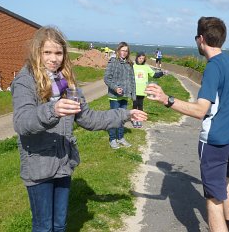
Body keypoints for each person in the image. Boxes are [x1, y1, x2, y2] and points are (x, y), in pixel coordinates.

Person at [11, 26, 147, 232]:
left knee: (59, 224)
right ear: (36, 52)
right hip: (38, 164)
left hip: (63, 162)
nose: (54, 58)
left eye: (58, 53)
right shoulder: (26, 80)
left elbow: (90, 119)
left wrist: (125, 114)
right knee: (43, 226)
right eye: (47, 52)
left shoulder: (67, 83)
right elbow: (22, 121)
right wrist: (52, 110)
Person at [145, 17, 229, 232]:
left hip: (217, 142)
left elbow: (200, 111)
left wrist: (166, 100)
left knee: (213, 200)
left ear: (201, 39)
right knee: (228, 182)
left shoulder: (213, 67)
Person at [104, 41, 136, 149]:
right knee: (114, 118)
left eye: (126, 51)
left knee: (122, 118)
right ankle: (112, 139)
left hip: (125, 96)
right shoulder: (113, 61)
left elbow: (132, 80)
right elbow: (107, 78)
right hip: (114, 96)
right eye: (122, 50)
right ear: (118, 51)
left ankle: (121, 138)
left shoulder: (129, 64)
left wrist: (133, 95)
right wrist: (115, 88)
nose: (124, 53)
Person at [132, 51, 164, 128]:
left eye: (143, 58)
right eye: (140, 58)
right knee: (135, 105)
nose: (141, 60)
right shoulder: (133, 66)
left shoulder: (146, 67)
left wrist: (162, 73)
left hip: (143, 91)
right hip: (134, 90)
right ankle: (134, 119)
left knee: (140, 106)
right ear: (137, 58)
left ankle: (139, 120)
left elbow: (154, 75)